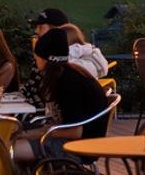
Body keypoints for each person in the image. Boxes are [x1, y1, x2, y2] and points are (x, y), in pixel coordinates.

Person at [15, 27, 110, 163]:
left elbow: (75, 131)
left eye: (37, 58)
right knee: (14, 127)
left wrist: (35, 133)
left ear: (45, 59)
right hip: (77, 139)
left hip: (80, 146)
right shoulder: (69, 73)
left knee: (10, 149)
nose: (36, 62)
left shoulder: (69, 83)